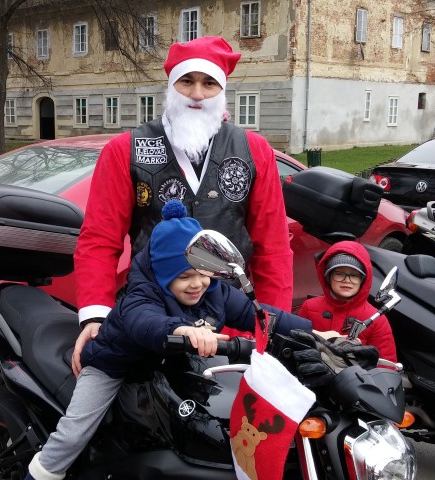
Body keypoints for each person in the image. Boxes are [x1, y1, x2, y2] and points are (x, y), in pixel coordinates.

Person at [26, 200, 314, 480]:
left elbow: (259, 316)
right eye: (185, 276)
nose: (197, 284)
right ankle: (41, 473)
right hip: (115, 367)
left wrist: (312, 334)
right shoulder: (141, 295)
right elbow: (145, 323)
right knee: (74, 431)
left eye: (202, 273)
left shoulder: (214, 291)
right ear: (164, 274)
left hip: (167, 365)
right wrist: (184, 330)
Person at [71, 36, 294, 374]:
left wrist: (271, 328)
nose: (197, 94)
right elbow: (99, 240)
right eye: (187, 81)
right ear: (171, 86)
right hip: (151, 318)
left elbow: (273, 247)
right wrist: (95, 315)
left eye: (209, 83)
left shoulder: (254, 150)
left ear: (222, 90)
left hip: (231, 320)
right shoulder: (124, 150)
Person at [296, 241, 397, 363]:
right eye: (339, 274)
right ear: (327, 277)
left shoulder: (377, 319)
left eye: (354, 275)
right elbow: (295, 343)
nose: (347, 280)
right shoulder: (309, 307)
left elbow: (386, 365)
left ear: (364, 279)